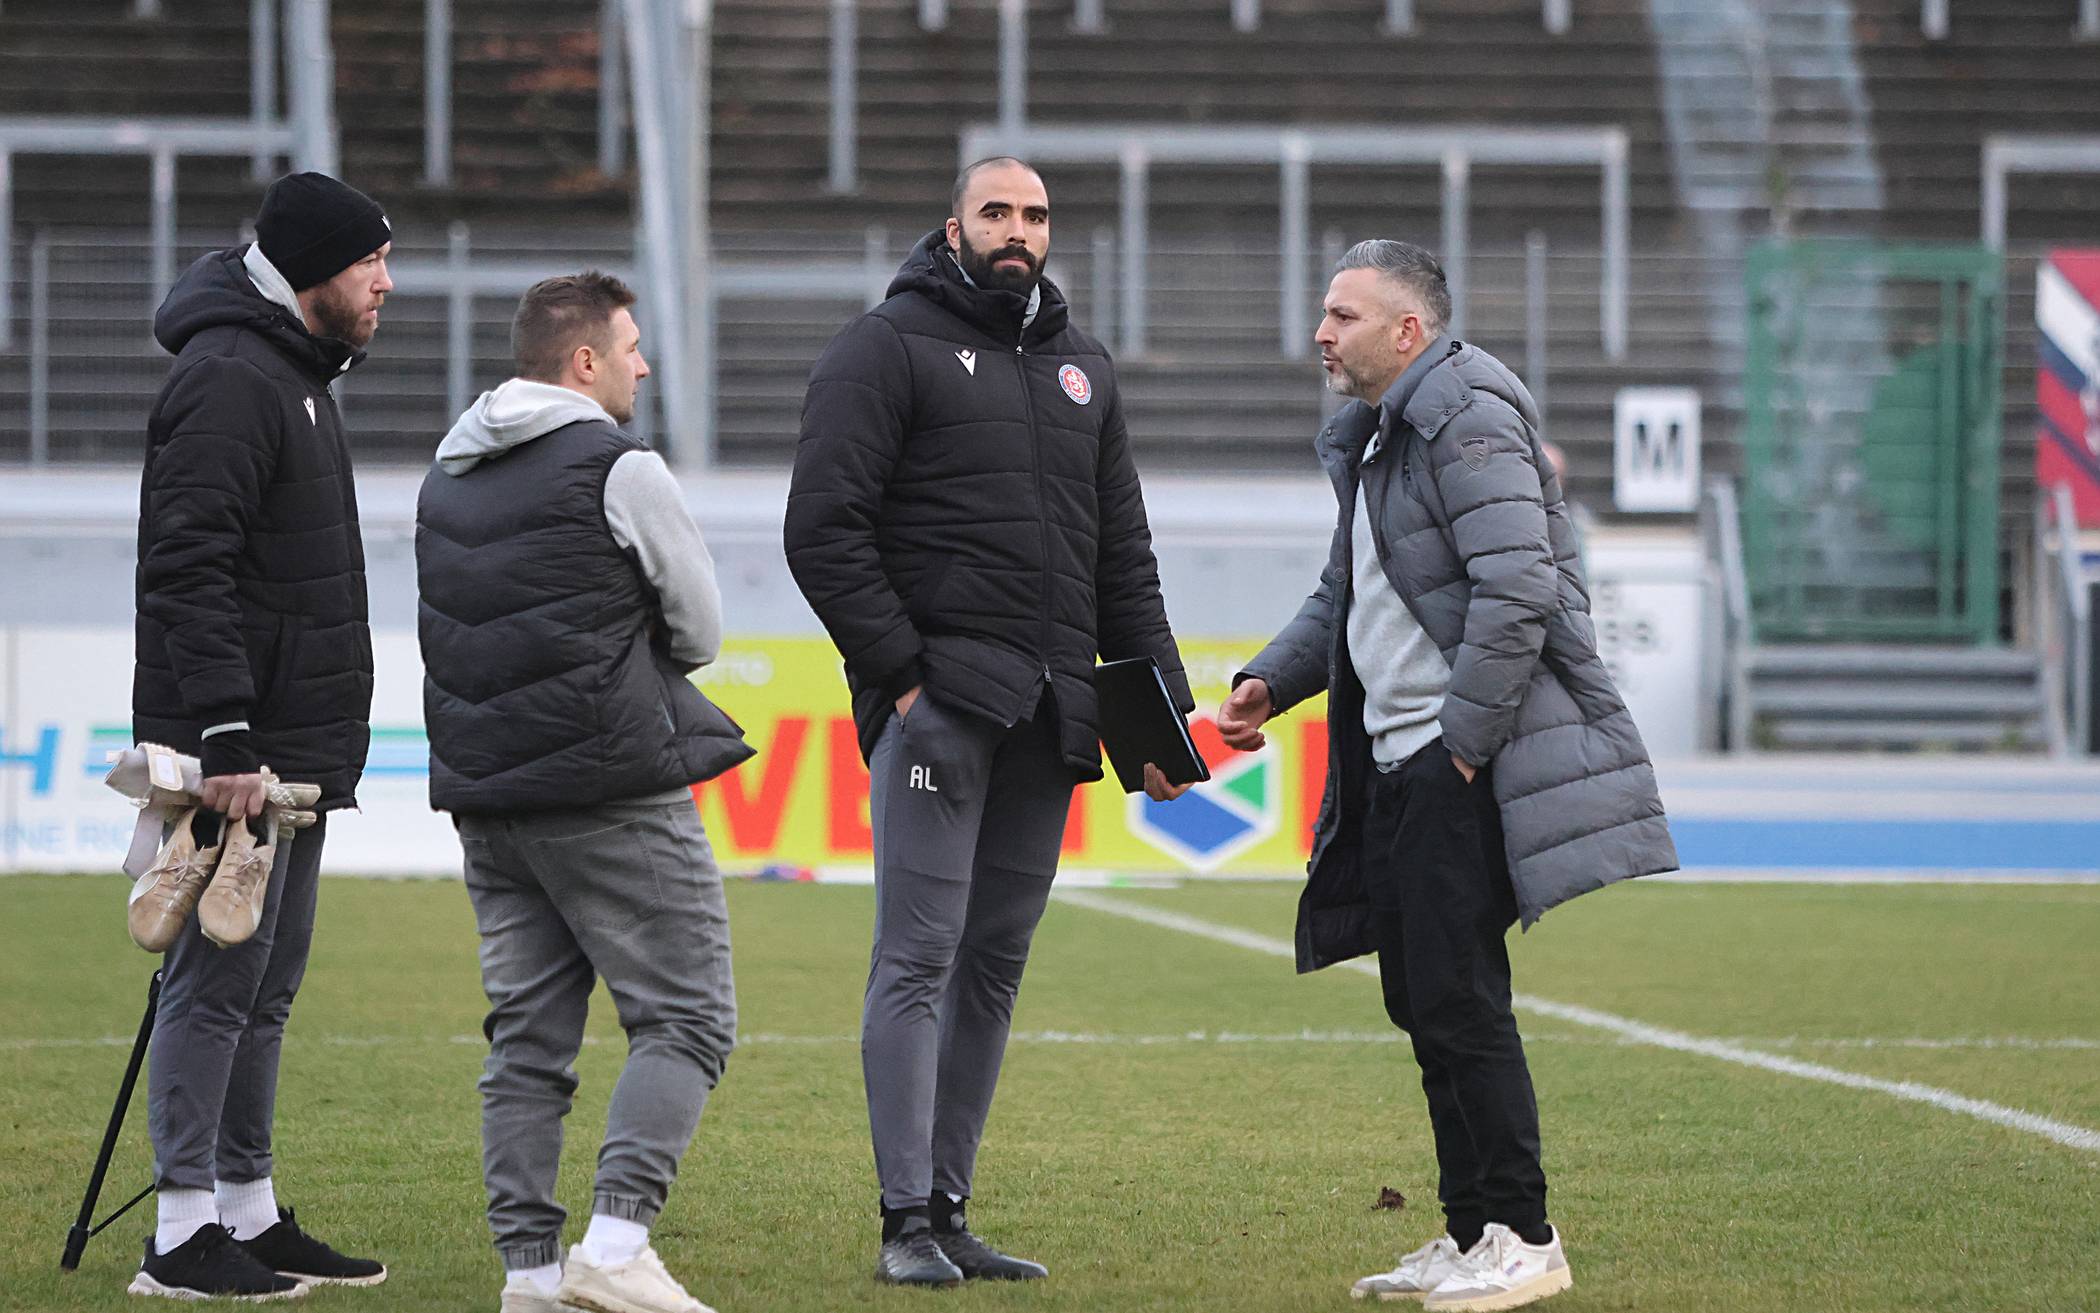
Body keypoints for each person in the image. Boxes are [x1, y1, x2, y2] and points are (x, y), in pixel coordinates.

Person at [1217, 240, 1677, 1312]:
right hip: (1398, 758)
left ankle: (1524, 1234)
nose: (1321, 334)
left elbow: (1519, 590)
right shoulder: (1385, 433)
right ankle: (1473, 1231)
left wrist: (1462, 746)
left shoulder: (1466, 414)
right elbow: (1345, 595)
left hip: (1451, 758)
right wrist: (1266, 683)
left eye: (1342, 316)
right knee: (1424, 999)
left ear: (1407, 331)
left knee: (1461, 999)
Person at [785, 156, 1193, 1286]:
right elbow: (822, 530)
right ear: (953, 226)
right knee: (917, 955)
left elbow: (1123, 558)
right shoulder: (884, 346)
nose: (1020, 230)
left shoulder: (1082, 365)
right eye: (998, 212)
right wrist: (906, 680)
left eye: (1037, 215)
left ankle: (950, 1211)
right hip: (943, 712)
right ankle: (903, 1223)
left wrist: (1160, 719)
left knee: (994, 965)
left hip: (1052, 717)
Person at [416, 272, 752, 1313]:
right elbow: (700, 629)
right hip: (607, 785)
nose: (644, 366)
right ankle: (614, 1243)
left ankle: (529, 1273)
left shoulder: (447, 473)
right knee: (689, 1016)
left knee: (527, 1040)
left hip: (487, 797)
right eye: (633, 347)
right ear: (585, 360)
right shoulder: (619, 464)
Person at [129, 171, 394, 1302]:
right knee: (215, 982)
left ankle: (244, 1207)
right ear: (312, 269)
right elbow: (187, 566)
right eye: (371, 260)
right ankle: (179, 1231)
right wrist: (228, 735)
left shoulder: (292, 371)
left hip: (294, 749)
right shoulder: (234, 375)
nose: (387, 282)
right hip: (242, 752)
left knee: (265, 984)